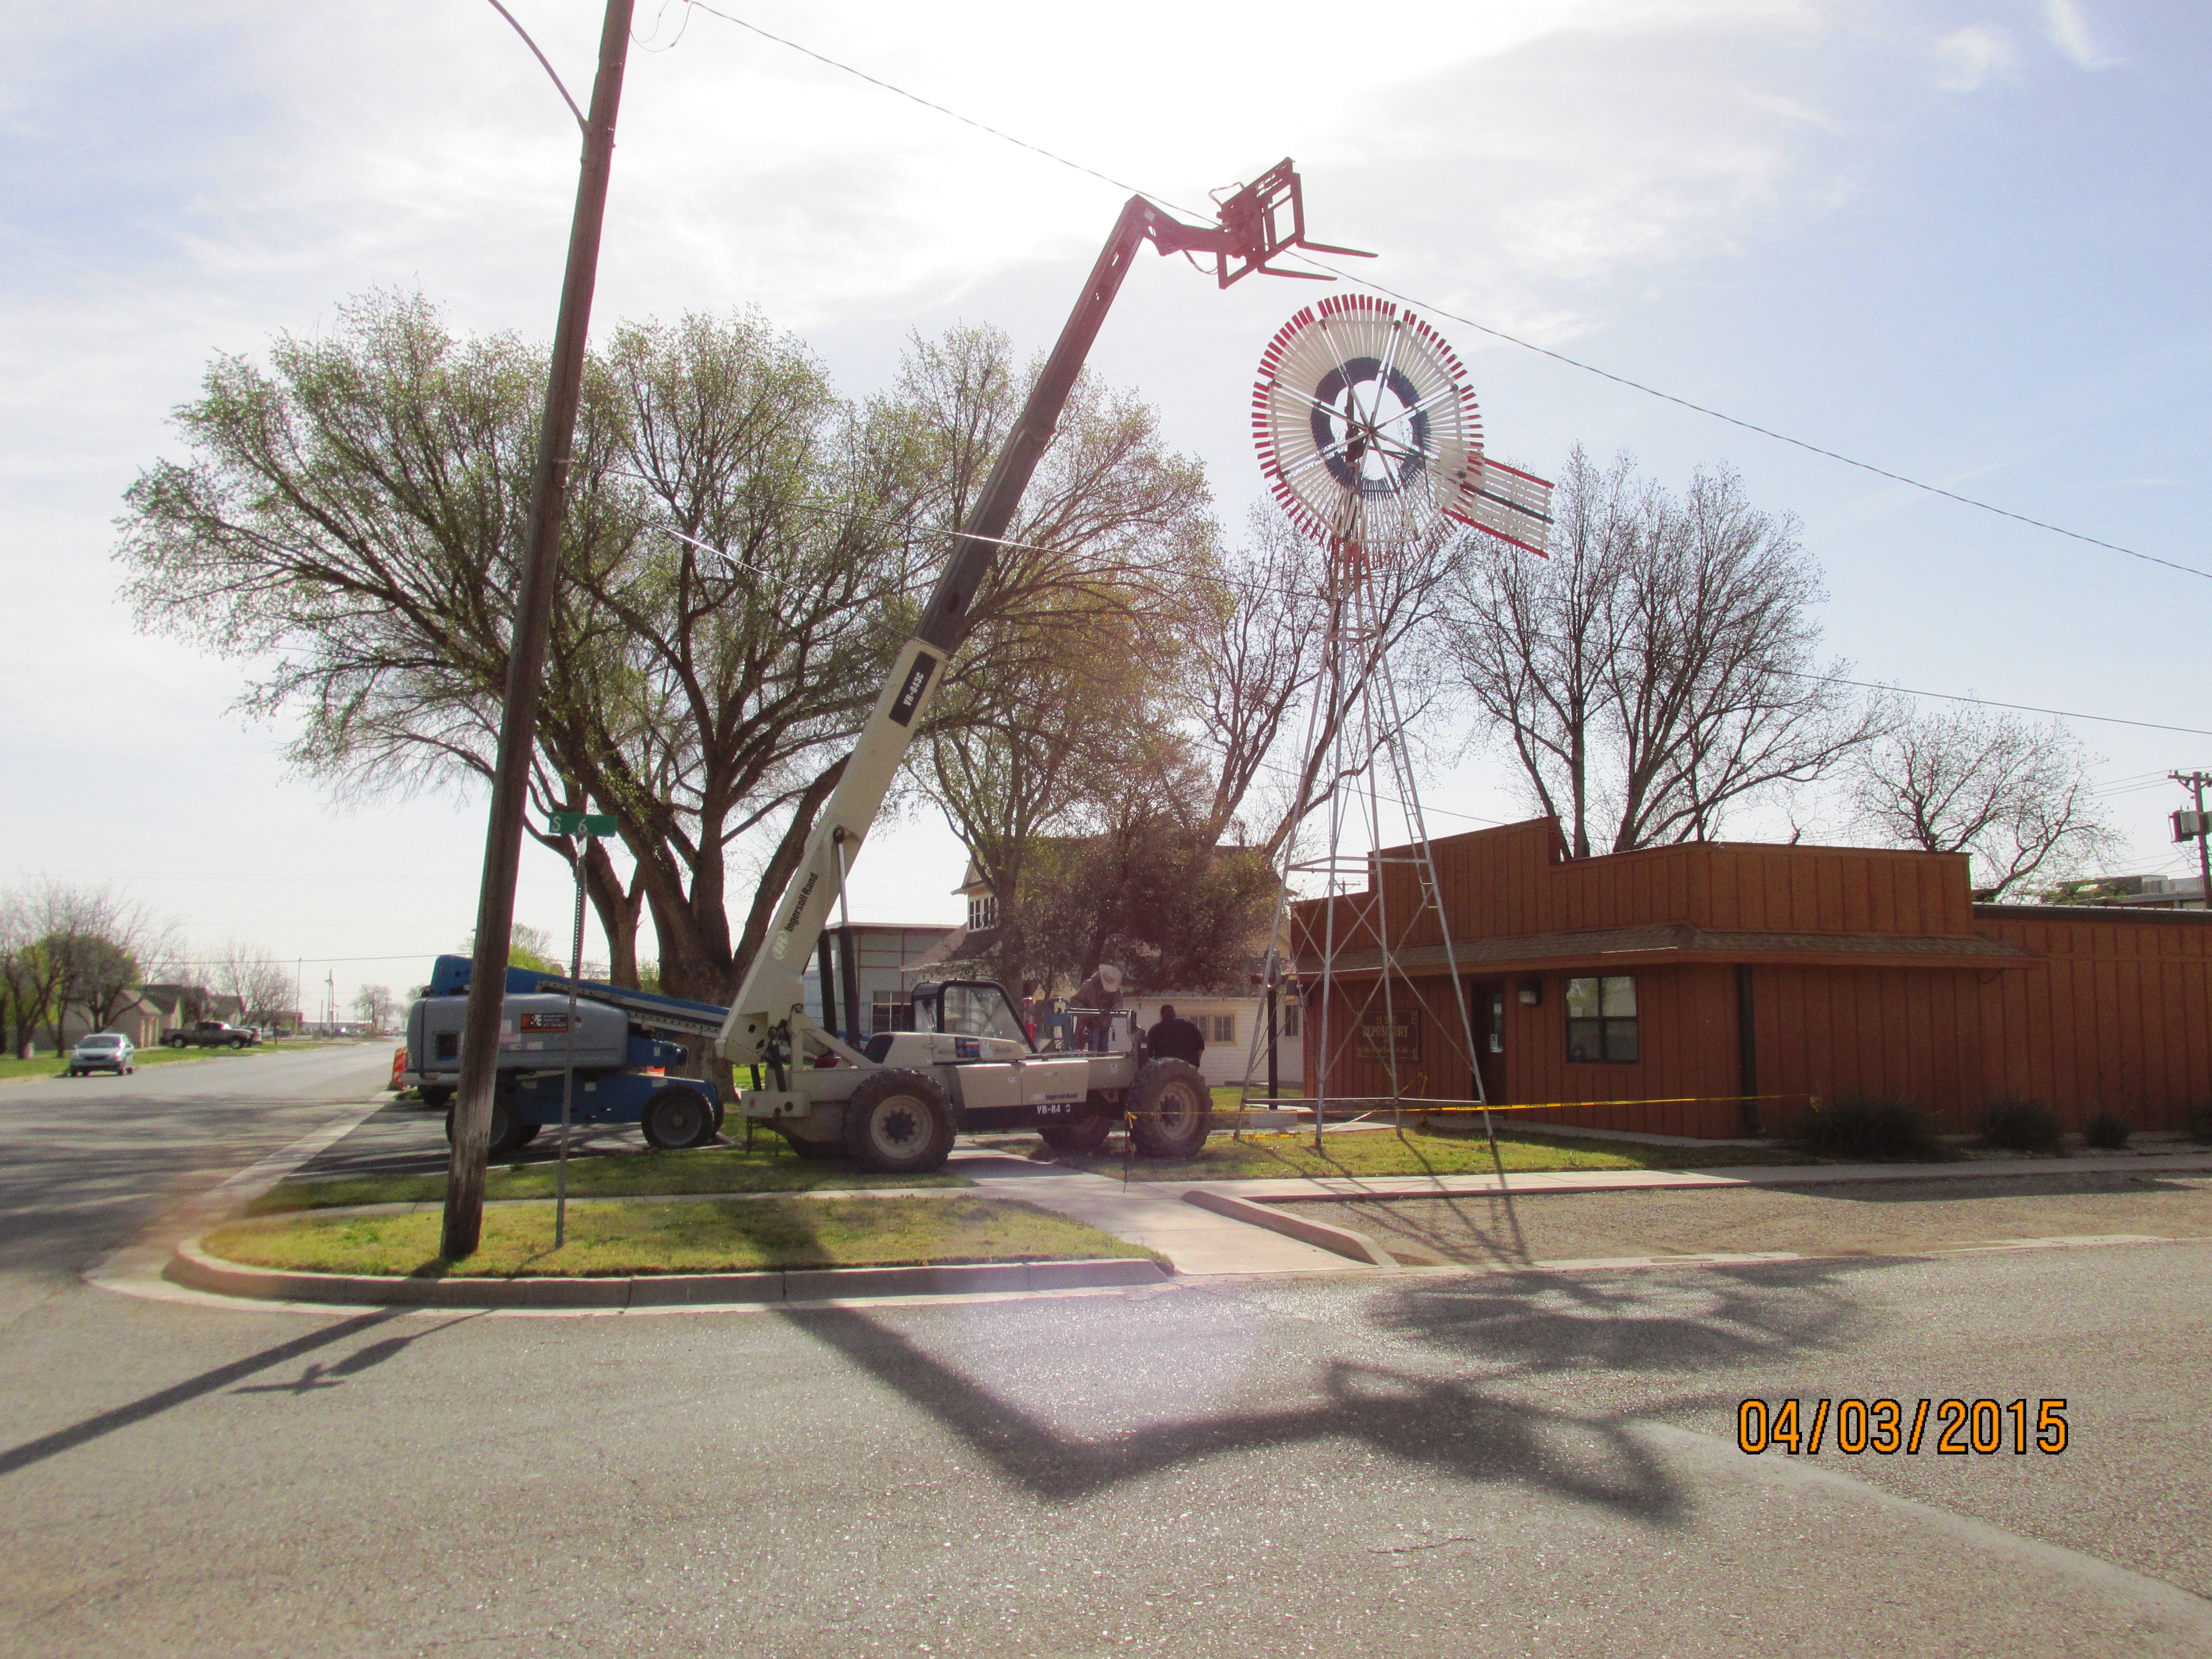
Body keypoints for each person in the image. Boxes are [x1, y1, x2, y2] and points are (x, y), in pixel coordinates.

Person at [1072, 963, 1123, 1053]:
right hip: (1091, 1025)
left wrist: (1117, 1007)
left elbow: (1119, 1000)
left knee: (1104, 1051)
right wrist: (1087, 1013)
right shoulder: (1089, 985)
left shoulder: (1115, 989)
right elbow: (1076, 1001)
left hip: (1105, 1025)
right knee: (1093, 1052)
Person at [1147, 1002, 1206, 1068]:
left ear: (1162, 1015)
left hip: (1164, 1069)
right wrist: (1195, 1063)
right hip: (1187, 1068)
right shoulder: (1189, 1025)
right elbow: (1200, 1047)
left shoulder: (1155, 1029)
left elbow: (1148, 1054)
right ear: (1174, 1013)